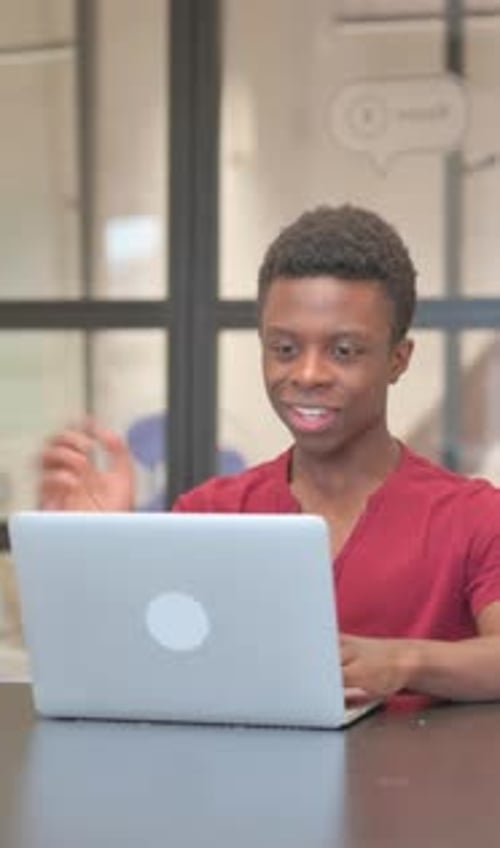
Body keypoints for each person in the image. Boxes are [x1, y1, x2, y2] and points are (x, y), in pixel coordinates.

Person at [39, 204, 500, 702]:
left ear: (397, 359)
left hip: (421, 782)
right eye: (284, 349)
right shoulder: (209, 513)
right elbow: (131, 666)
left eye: (343, 351)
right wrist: (107, 548)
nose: (307, 374)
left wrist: (405, 661)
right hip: (238, 782)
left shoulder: (474, 516)